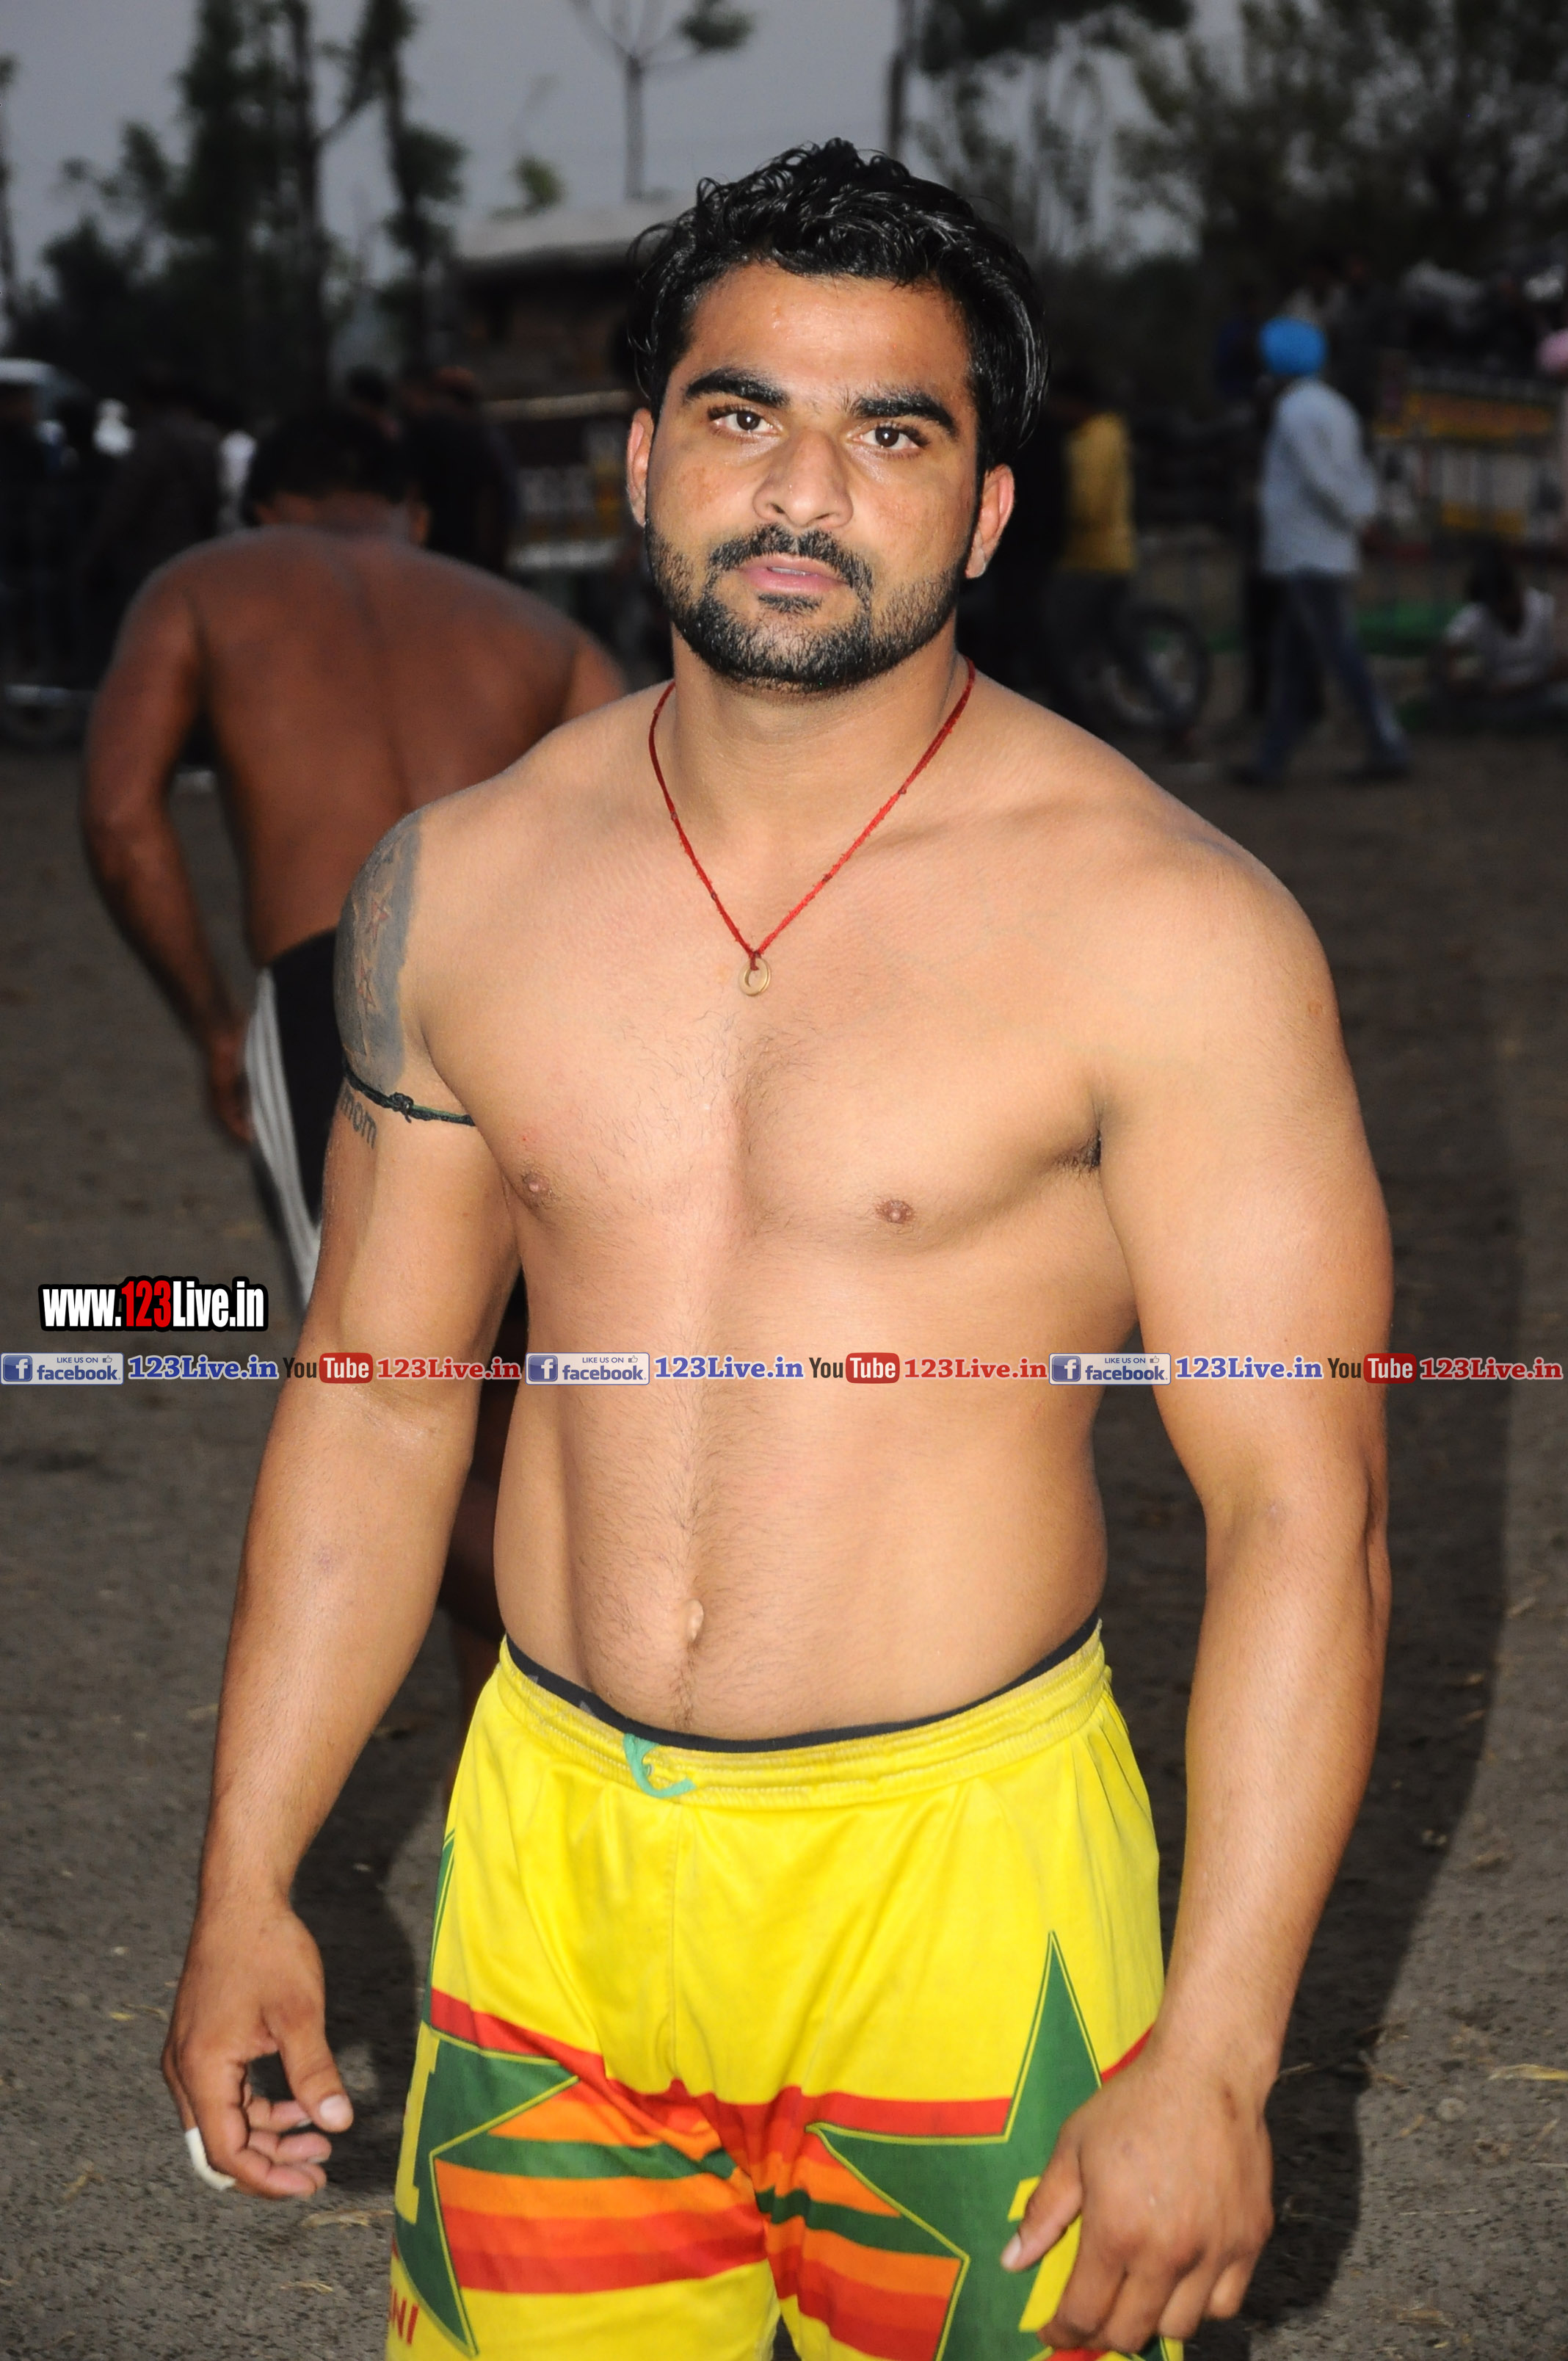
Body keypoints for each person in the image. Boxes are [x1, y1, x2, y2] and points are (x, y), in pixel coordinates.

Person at [162, 147, 1390, 2361]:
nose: (805, 489)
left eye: (891, 431)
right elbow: (374, 1404)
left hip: (966, 1885)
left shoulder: (1172, 932)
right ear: (642, 461)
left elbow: (1304, 1509)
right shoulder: (458, 887)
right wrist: (248, 1870)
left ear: (986, 511)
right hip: (552, 1881)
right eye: (744, 414)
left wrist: (1217, 2050)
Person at [81, 403, 623, 1721]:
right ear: (415, 511)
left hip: (347, 991)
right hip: (542, 996)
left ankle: (610, 1650)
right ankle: (530, 1731)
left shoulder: (203, 584)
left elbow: (120, 818)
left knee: (389, 1413)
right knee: (516, 1384)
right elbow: (659, 836)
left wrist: (216, 1018)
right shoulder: (535, 628)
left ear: (260, 505)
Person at [1232, 317, 1409, 786]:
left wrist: (1359, 521)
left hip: (1309, 553)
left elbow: (1322, 480)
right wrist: (1365, 516)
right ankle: (1272, 760)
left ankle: (1387, 744)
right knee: (1295, 659)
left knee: (1340, 656)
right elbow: (1356, 472)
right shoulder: (1336, 407)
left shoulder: (1294, 412)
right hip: (1323, 552)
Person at [1042, 362, 1198, 754]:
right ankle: (1178, 723)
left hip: (1088, 561)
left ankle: (1084, 738)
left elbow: (1088, 506)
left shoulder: (1092, 442)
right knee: (1127, 651)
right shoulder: (1108, 434)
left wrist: (1052, 515)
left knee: (1057, 651)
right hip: (1114, 558)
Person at [80, 367, 220, 618]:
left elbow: (123, 503)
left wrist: (93, 553)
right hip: (193, 551)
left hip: (153, 555)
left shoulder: (152, 442)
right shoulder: (200, 438)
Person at [1434, 543, 1568, 722]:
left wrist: (1516, 687)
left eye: (1499, 605)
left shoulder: (1545, 609)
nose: (1495, 612)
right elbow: (1446, 647)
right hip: (1495, 691)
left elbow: (1563, 668)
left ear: (1514, 593)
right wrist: (1453, 677)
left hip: (1540, 688)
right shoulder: (1482, 613)